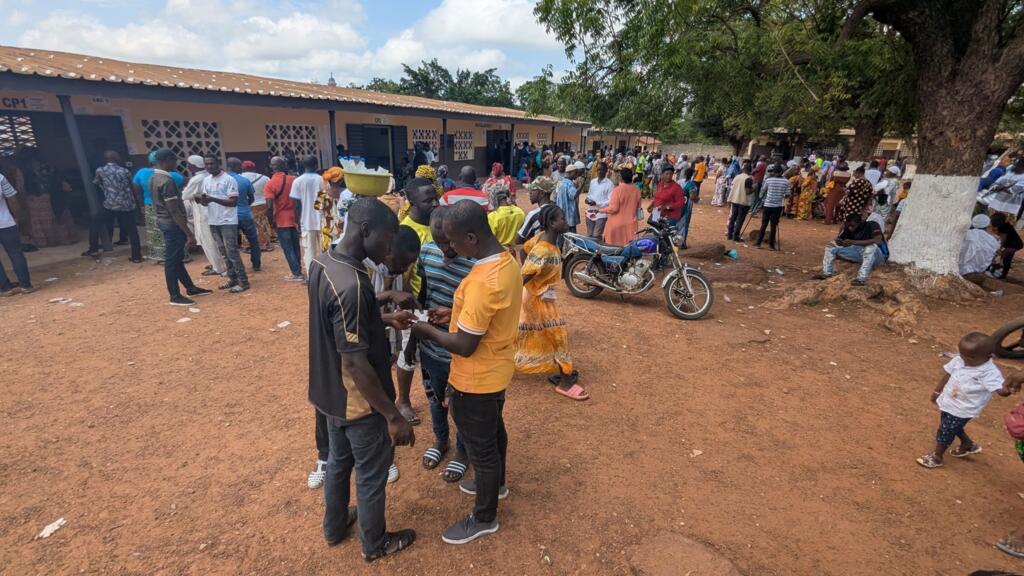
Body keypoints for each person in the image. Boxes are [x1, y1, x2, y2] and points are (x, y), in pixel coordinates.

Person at [307, 197, 417, 562]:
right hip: (359, 402)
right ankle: (375, 543)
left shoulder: (324, 263)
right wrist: (393, 415)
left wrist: (383, 318)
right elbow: (355, 363)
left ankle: (334, 526)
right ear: (365, 230)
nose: (389, 249)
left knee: (339, 464)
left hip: (330, 395)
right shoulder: (352, 285)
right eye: (387, 240)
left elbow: (336, 325)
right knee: (371, 473)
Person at [410, 200, 523, 545]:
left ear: (472, 238)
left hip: (476, 379)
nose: (450, 249)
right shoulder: (506, 262)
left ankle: (484, 516)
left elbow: (464, 345)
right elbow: (482, 320)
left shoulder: (482, 283)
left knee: (482, 449)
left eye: (454, 242)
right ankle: (497, 485)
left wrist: (423, 328)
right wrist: (453, 313)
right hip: (497, 369)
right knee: (494, 431)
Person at [416, 206, 472, 481]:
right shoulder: (426, 253)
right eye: (439, 241)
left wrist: (452, 314)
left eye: (449, 240)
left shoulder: (473, 263)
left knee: (460, 404)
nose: (446, 247)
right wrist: (417, 324)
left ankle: (463, 450)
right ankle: (441, 440)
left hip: (460, 351)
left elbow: (477, 310)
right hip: (429, 348)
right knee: (435, 400)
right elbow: (424, 292)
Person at [516, 204, 587, 401]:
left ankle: (561, 370)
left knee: (538, 333)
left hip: (541, 297)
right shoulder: (543, 249)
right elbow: (524, 276)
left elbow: (523, 250)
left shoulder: (544, 240)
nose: (566, 221)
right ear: (552, 223)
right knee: (559, 335)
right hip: (536, 300)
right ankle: (565, 381)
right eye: (562, 218)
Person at [916, 332, 1014, 469]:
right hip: (949, 401)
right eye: (962, 354)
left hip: (964, 408)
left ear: (989, 356)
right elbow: (948, 374)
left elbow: (1000, 390)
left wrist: (1008, 389)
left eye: (970, 357)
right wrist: (937, 391)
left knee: (946, 429)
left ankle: (937, 457)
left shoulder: (989, 373)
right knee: (950, 425)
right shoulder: (960, 360)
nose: (964, 358)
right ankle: (967, 444)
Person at [396, 178, 441, 426]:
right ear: (412, 202)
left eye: (436, 197)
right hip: (416, 305)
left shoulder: (437, 223)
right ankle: (402, 400)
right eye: (428, 200)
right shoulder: (406, 230)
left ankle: (437, 394)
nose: (434, 203)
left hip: (439, 304)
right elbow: (401, 277)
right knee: (407, 354)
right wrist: (410, 311)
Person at [150, 148, 211, 306]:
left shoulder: (154, 178)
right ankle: (175, 295)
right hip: (172, 224)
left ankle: (190, 287)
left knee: (176, 259)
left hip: (165, 221)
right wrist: (188, 233)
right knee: (172, 261)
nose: (176, 163)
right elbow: (174, 210)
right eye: (174, 160)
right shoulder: (167, 181)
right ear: (167, 160)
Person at [197, 155, 248, 293]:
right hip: (213, 220)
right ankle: (232, 279)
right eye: (206, 164)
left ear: (218, 164)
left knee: (232, 252)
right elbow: (206, 200)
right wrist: (201, 201)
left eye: (211, 163)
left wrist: (212, 198)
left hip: (228, 221)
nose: (209, 166)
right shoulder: (206, 180)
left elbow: (233, 202)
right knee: (224, 252)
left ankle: (243, 282)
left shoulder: (228, 180)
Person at [812, 212, 887, 285]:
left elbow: (877, 240)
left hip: (878, 256)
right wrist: (840, 242)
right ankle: (826, 273)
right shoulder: (848, 228)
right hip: (860, 254)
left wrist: (853, 242)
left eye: (852, 225)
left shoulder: (872, 224)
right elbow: (843, 241)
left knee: (870, 247)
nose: (850, 228)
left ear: (860, 222)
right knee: (831, 246)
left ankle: (861, 279)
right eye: (848, 226)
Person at [93, 151, 142, 262]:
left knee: (96, 222)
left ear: (106, 159)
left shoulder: (100, 170)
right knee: (132, 230)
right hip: (127, 204)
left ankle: (93, 248)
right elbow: (132, 186)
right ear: (117, 158)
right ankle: (136, 256)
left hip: (111, 204)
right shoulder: (125, 171)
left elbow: (96, 183)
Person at [180, 155, 225, 277]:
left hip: (203, 212)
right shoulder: (207, 175)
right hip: (211, 211)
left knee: (208, 240)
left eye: (189, 164)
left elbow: (185, 196)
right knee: (214, 240)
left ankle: (218, 267)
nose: (187, 166)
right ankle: (218, 264)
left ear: (194, 165)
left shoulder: (197, 179)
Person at [133, 151, 183, 262]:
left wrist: (141, 205)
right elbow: (183, 181)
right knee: (173, 229)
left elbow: (136, 189)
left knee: (155, 231)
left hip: (150, 205)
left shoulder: (142, 173)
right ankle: (179, 255)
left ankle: (160, 256)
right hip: (167, 205)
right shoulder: (171, 175)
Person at [265, 156, 303, 281]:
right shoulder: (293, 179)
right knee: (296, 245)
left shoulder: (270, 184)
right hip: (294, 217)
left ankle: (296, 273)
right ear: (284, 166)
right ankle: (299, 270)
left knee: (288, 248)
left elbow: (269, 206)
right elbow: (298, 200)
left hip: (281, 219)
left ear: (272, 167)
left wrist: (270, 221)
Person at [291, 155, 325, 276]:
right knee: (324, 249)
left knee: (309, 251)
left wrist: (297, 220)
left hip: (306, 220)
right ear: (316, 166)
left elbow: (296, 204)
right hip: (322, 220)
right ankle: (325, 274)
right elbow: (323, 200)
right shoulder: (323, 180)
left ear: (303, 166)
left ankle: (312, 277)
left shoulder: (297, 181)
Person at [0, 173, 33, 296]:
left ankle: (5, 288)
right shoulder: (0, 177)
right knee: (15, 253)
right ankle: (26, 285)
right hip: (6, 222)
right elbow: (12, 200)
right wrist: (20, 219)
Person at [226, 157, 261, 272]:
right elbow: (251, 198)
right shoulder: (244, 181)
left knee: (232, 243)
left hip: (229, 217)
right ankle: (256, 264)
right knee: (253, 240)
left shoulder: (222, 181)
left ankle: (236, 267)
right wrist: (245, 205)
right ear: (236, 167)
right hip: (245, 214)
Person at [599, 168, 642, 246]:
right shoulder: (637, 190)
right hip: (631, 225)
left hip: (616, 225)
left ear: (621, 178)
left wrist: (601, 210)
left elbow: (613, 209)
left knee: (613, 249)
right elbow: (638, 208)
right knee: (628, 249)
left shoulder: (617, 190)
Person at [755, 166, 790, 250]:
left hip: (767, 205)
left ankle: (758, 243)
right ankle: (771, 245)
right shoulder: (786, 181)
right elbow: (788, 194)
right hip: (777, 206)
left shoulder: (768, 180)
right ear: (782, 172)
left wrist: (760, 198)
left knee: (763, 224)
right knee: (773, 225)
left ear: (774, 172)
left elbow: (763, 190)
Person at [241, 160, 273, 251]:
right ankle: (264, 245)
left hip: (246, 205)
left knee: (247, 225)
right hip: (261, 204)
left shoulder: (239, 178)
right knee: (262, 225)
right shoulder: (264, 178)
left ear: (242, 168)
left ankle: (248, 246)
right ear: (254, 168)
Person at [516, 176, 556, 245]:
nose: (530, 193)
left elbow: (518, 240)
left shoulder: (534, 215)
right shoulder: (557, 208)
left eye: (533, 190)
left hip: (538, 252)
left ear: (542, 194)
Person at [585, 161, 613, 239]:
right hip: (590, 211)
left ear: (606, 171)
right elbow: (589, 194)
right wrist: (587, 200)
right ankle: (590, 251)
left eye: (602, 170)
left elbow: (610, 201)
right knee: (590, 235)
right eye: (598, 170)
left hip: (601, 214)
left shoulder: (609, 184)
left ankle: (599, 250)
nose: (599, 172)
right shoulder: (593, 182)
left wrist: (597, 203)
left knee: (596, 235)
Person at [726, 163, 754, 242]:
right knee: (740, 220)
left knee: (733, 218)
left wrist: (729, 199)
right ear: (750, 170)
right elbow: (748, 192)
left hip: (735, 200)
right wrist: (754, 188)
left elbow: (732, 188)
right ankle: (736, 236)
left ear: (743, 169)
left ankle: (729, 235)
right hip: (744, 202)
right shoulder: (749, 179)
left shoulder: (737, 177)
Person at [991, 212, 1023, 279]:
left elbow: (1003, 239)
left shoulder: (1003, 227)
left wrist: (999, 249)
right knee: (1006, 258)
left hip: (1014, 245)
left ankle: (1001, 274)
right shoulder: (1005, 225)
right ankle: (1002, 273)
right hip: (1016, 244)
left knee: (1004, 257)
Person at [554, 162, 581, 234]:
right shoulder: (569, 184)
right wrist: (581, 186)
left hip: (561, 214)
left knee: (561, 235)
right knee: (572, 237)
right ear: (571, 172)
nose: (577, 175)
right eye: (576, 173)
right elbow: (574, 195)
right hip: (569, 216)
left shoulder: (561, 182)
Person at [823, 161, 851, 225]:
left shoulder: (835, 173)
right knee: (839, 205)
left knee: (830, 205)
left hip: (834, 189)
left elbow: (831, 180)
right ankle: (835, 219)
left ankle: (828, 220)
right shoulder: (849, 174)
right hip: (843, 189)